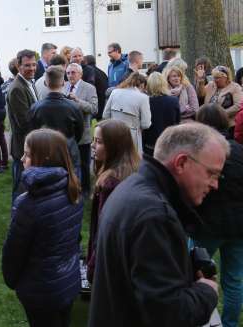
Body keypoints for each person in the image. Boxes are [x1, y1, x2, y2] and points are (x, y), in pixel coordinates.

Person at [89, 123, 227, 327]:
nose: (215, 184)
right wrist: (207, 291)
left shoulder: (134, 186)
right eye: (211, 173)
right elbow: (170, 315)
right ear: (181, 163)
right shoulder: (154, 215)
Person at [2, 128, 83, 327]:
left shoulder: (28, 203)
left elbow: (14, 252)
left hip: (40, 290)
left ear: (44, 158)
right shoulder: (73, 189)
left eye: (28, 154)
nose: (22, 159)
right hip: (68, 280)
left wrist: (13, 280)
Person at [193, 104, 243, 327]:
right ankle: (227, 323)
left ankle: (202, 319)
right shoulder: (239, 150)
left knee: (194, 274)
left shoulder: (198, 152)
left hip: (208, 225)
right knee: (233, 279)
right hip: (237, 225)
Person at [86, 119, 139, 282]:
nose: (93, 146)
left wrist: (93, 268)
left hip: (108, 264)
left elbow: (105, 231)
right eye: (94, 140)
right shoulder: (132, 169)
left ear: (115, 146)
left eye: (99, 142)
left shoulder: (110, 184)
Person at [29, 66, 84, 173]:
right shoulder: (74, 107)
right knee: (72, 185)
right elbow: (79, 133)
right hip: (69, 152)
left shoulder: (35, 108)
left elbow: (32, 132)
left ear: (45, 83)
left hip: (44, 154)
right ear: (64, 82)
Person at [7, 49, 39, 200]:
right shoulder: (17, 89)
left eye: (34, 64)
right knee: (20, 188)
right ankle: (17, 219)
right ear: (18, 66)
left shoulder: (29, 83)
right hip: (22, 148)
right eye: (27, 65)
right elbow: (25, 122)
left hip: (30, 145)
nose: (32, 68)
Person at [65, 62, 98, 195]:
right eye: (68, 73)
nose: (70, 76)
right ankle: (71, 188)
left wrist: (77, 100)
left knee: (84, 165)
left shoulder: (89, 88)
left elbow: (94, 109)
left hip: (83, 134)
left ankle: (85, 190)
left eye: (73, 73)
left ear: (80, 74)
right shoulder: (64, 86)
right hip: (67, 133)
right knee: (69, 164)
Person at [103, 72, 151, 154]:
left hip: (114, 134)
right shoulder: (143, 98)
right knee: (132, 163)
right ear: (142, 85)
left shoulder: (115, 92)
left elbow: (105, 115)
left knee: (114, 161)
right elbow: (145, 124)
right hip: (132, 138)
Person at [142, 72, 180, 156]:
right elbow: (177, 122)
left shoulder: (145, 101)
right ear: (164, 83)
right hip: (168, 144)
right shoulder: (173, 101)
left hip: (150, 145)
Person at [83, 55, 109, 120]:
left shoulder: (88, 72)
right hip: (103, 103)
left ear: (86, 61)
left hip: (95, 103)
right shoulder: (102, 73)